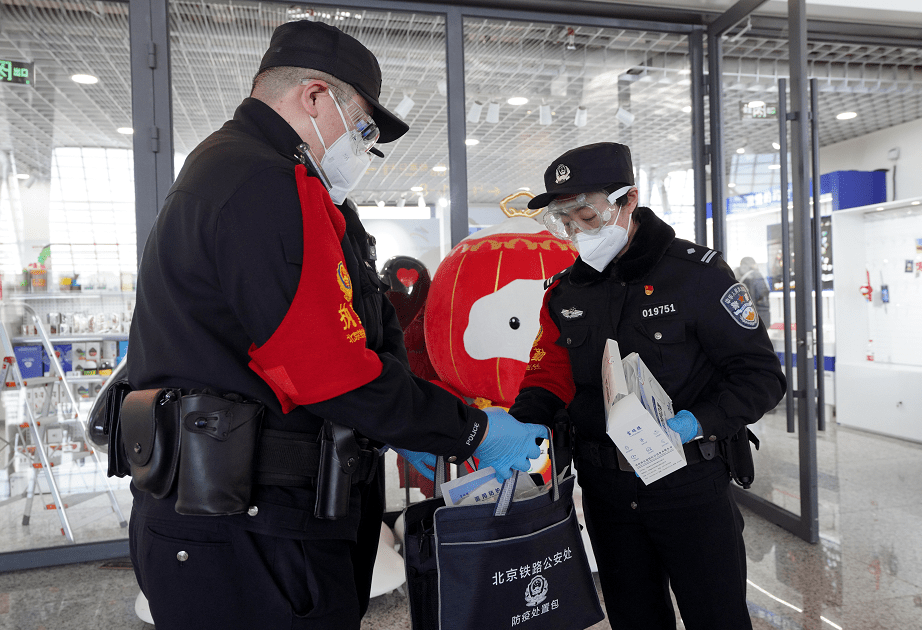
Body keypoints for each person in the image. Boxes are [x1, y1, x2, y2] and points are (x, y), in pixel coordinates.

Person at [125, 20, 545, 630]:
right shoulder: (262, 182)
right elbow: (328, 371)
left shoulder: (249, 174)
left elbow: (351, 331)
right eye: (366, 127)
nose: (367, 148)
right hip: (247, 526)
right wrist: (470, 430)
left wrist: (408, 428)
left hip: (245, 515)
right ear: (316, 96)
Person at [508, 142, 787, 630]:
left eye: (586, 216)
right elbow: (548, 372)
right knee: (634, 617)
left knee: (716, 617)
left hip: (689, 483)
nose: (576, 231)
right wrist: (519, 426)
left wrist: (698, 421)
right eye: (564, 221)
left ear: (628, 199)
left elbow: (760, 376)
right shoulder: (565, 291)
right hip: (607, 491)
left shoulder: (697, 276)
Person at [735, 256, 771, 328]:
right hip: (760, 315)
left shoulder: (740, 277)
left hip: (748, 316)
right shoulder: (756, 275)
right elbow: (762, 295)